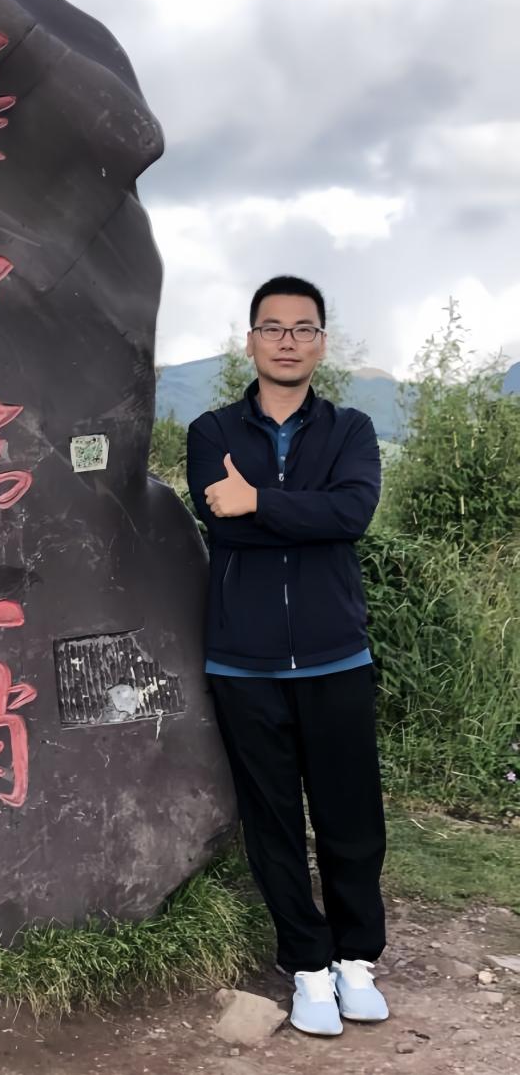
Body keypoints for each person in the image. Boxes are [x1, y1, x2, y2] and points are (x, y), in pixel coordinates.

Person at [186, 275, 387, 1037]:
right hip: (244, 661)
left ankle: (356, 958)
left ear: (322, 344)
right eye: (273, 328)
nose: (288, 341)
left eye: (303, 329)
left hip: (336, 656)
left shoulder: (351, 430)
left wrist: (262, 502)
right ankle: (307, 966)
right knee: (272, 823)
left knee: (350, 818)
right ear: (251, 342)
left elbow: (353, 513)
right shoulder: (212, 431)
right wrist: (302, 515)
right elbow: (224, 525)